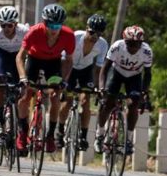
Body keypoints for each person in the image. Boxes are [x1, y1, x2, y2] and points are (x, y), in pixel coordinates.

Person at [15, 4, 75, 154]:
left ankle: (50, 136)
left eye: (58, 25)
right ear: (44, 23)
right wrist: (23, 77)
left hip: (53, 64)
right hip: (34, 60)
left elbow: (68, 60)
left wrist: (64, 80)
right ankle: (22, 132)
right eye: (50, 24)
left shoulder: (68, 35)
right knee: (26, 95)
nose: (54, 29)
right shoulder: (34, 32)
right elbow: (20, 57)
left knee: (55, 97)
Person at [96, 25, 152, 155]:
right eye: (130, 44)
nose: (133, 47)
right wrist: (102, 88)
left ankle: (129, 140)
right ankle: (100, 135)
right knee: (108, 103)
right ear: (124, 41)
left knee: (134, 104)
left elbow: (148, 74)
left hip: (134, 77)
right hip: (116, 73)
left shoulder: (147, 51)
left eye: (136, 44)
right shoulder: (117, 46)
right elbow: (105, 69)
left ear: (141, 43)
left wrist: (144, 92)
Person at [57, 14, 108, 151]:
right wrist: (63, 82)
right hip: (70, 68)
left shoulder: (103, 44)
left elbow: (98, 69)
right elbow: (64, 62)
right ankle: (60, 131)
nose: (94, 36)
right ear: (86, 29)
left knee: (86, 102)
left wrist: (96, 87)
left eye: (98, 33)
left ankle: (83, 136)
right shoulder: (75, 37)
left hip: (86, 71)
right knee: (67, 102)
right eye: (91, 32)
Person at [0, 6, 29, 144]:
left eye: (10, 25)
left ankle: (20, 126)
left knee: (22, 90)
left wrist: (26, 78)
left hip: (19, 57)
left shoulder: (25, 31)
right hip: (1, 55)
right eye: (3, 25)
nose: (6, 28)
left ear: (15, 23)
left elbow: (29, 56)